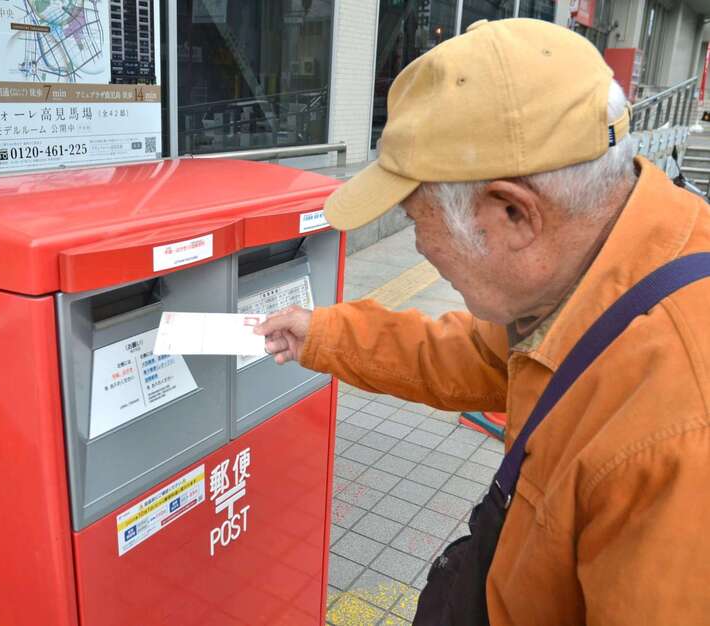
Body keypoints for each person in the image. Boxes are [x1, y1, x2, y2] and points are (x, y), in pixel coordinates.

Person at [257, 18, 710, 626]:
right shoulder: (612, 266)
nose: (418, 247)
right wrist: (325, 334)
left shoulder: (678, 435)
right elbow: (475, 354)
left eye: (419, 218)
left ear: (514, 213)